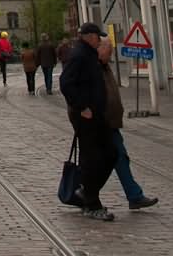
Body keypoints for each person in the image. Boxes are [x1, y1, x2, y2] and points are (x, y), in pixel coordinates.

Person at [59, 21, 117, 221]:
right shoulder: (79, 55)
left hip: (97, 114)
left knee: (110, 153)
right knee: (93, 158)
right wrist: (82, 107)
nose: (99, 40)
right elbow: (66, 83)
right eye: (97, 37)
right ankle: (92, 202)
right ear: (90, 36)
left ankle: (86, 191)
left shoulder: (89, 54)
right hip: (86, 116)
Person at [96, 37, 157, 211]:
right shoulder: (93, 68)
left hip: (111, 123)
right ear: (99, 50)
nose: (111, 56)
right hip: (102, 123)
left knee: (119, 158)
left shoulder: (105, 67)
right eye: (109, 52)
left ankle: (134, 195)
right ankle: (84, 192)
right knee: (102, 161)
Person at [36, 31, 57, 96]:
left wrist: (38, 63)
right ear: (47, 38)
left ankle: (47, 87)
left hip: (43, 64)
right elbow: (54, 54)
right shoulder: (51, 44)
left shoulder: (40, 45)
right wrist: (55, 62)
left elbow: (38, 55)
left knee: (46, 76)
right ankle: (49, 89)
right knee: (49, 76)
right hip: (50, 63)